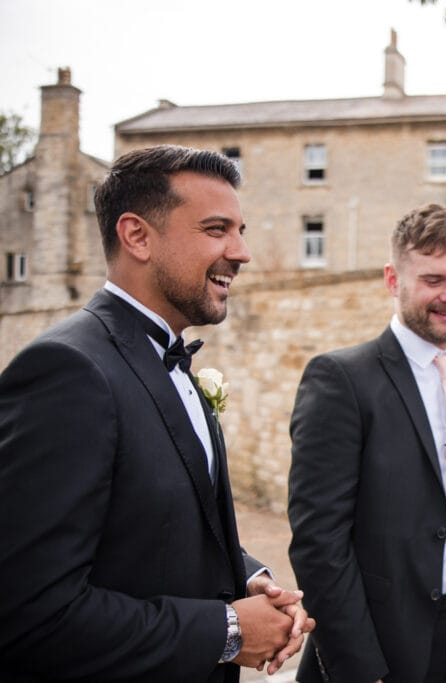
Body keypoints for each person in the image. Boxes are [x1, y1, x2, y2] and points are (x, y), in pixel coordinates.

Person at [0, 145, 313, 682]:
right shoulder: (66, 372)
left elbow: (154, 531)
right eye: (217, 230)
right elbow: (28, 614)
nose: (242, 253)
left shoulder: (168, 360)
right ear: (137, 236)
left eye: (240, 230)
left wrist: (247, 580)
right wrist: (228, 630)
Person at [288, 203, 446, 683]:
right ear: (393, 280)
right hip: (383, 640)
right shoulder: (341, 380)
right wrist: (359, 666)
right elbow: (317, 542)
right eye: (433, 280)